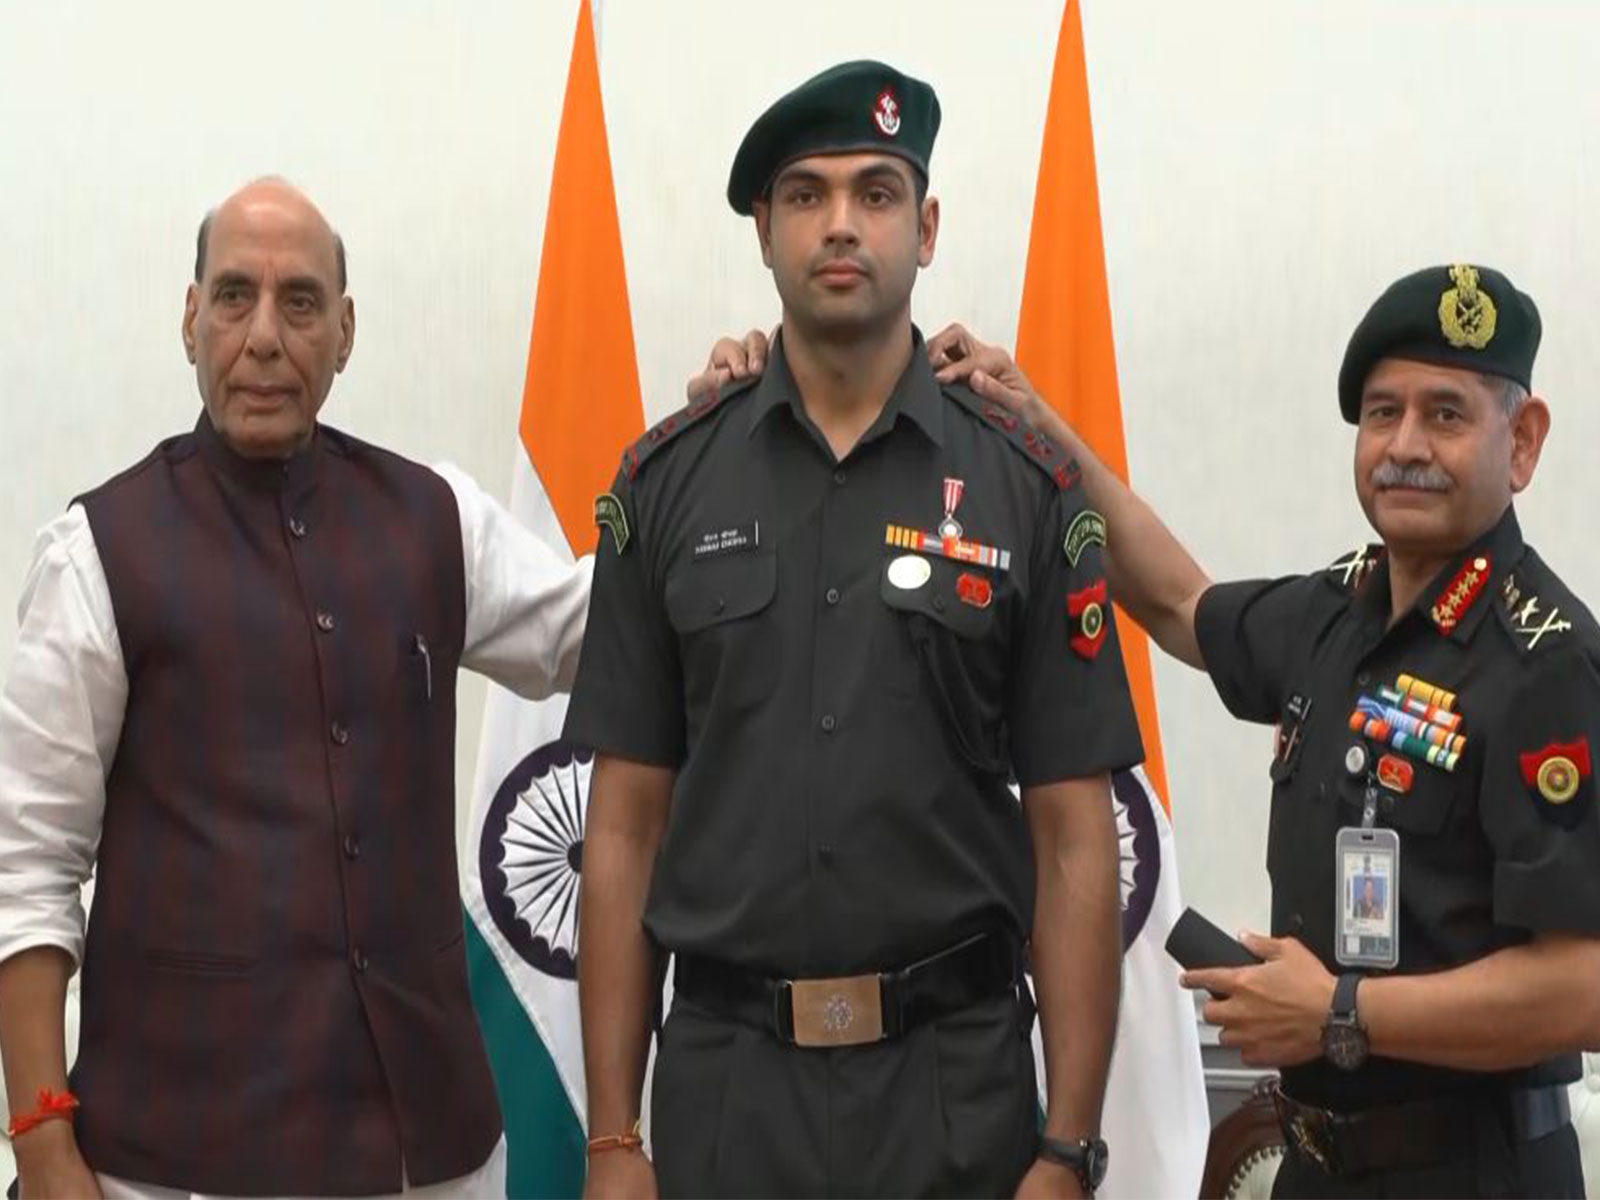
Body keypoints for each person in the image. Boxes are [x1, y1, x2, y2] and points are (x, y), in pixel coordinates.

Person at [686, 264, 1600, 1197]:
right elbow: (1178, 604)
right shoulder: (1343, 611)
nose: (1405, 446)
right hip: (1321, 1165)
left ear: (1522, 442)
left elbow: (1585, 987)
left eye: (1445, 416)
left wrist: (1341, 1011)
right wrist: (1039, 427)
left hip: (1474, 1173)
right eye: (1381, 414)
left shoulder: (1548, 663)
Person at [566, 61, 1144, 1199]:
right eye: (806, 194)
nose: (841, 224)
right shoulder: (664, 483)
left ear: (925, 230)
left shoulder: (1025, 486)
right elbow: (625, 826)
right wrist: (612, 1140)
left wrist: (1068, 1148)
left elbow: (1076, 838)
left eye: (876, 193)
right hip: (729, 1095)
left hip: (954, 1093)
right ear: (764, 231)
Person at [0, 178, 593, 1199]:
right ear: (191, 318)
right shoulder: (96, 553)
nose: (265, 337)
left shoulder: (435, 519)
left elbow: (598, 631)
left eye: (301, 302)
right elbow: (27, 863)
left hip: (433, 1159)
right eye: (235, 296)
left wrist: (719, 443)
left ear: (345, 332)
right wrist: (42, 1139)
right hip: (172, 1166)